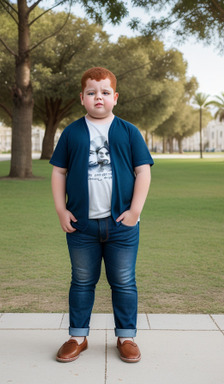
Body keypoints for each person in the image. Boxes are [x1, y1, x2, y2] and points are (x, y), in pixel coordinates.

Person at [50, 67, 154, 363]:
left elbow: (142, 171)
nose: (99, 97)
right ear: (82, 98)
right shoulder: (72, 132)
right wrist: (61, 209)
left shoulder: (129, 132)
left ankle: (126, 336)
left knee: (123, 281)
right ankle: (77, 336)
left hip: (122, 226)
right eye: (92, 93)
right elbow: (59, 171)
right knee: (82, 281)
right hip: (82, 226)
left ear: (115, 98)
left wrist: (135, 211)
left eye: (105, 92)